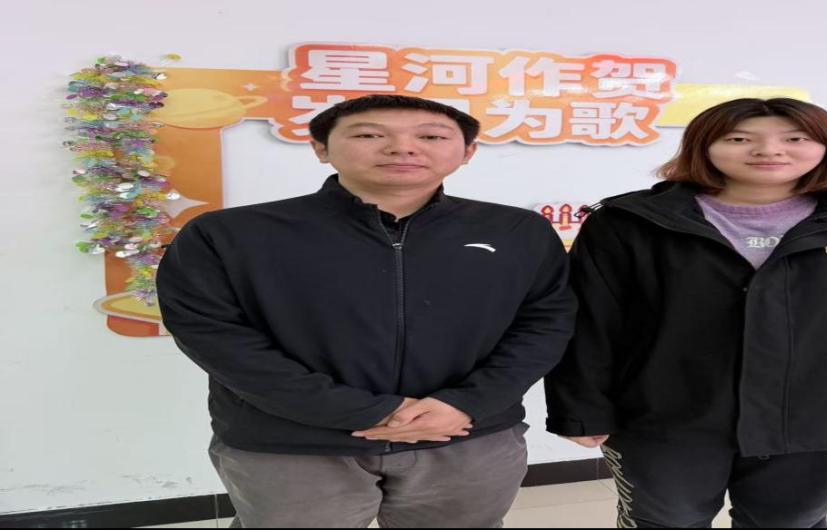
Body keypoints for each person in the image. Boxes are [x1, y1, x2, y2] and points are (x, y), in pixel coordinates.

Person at [544, 98, 827, 528]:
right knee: (663, 522)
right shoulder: (630, 222)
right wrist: (581, 408)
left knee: (789, 522)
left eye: (795, 138)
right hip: (665, 418)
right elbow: (591, 323)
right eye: (739, 139)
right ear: (703, 146)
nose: (769, 150)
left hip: (824, 418)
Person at [157, 95, 577, 528]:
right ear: (320, 147)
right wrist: (368, 412)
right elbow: (215, 337)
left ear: (468, 151)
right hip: (293, 443)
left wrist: (467, 403)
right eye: (369, 135)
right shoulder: (229, 234)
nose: (403, 148)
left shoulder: (516, 230)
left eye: (431, 137)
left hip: (464, 435)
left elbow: (545, 323)